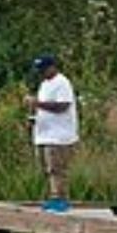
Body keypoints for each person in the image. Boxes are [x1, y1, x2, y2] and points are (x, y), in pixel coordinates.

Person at [25, 53, 78, 212]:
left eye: (44, 69)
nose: (41, 72)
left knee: (57, 169)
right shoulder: (44, 84)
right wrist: (33, 118)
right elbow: (44, 108)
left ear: (53, 67)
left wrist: (37, 103)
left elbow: (63, 106)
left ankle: (60, 200)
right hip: (43, 135)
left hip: (59, 136)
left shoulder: (62, 83)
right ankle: (52, 198)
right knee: (46, 170)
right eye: (39, 70)